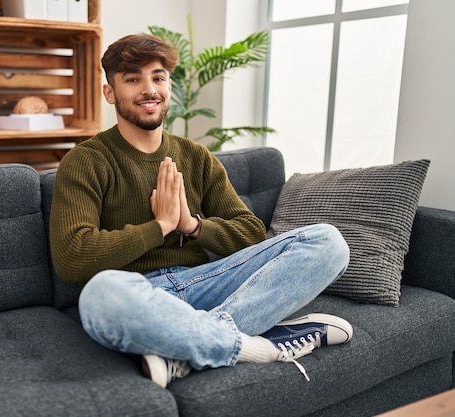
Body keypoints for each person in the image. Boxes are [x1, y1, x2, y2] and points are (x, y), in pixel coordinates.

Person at [49, 33, 353, 387]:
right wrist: (160, 225)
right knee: (101, 295)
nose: (149, 89)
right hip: (141, 294)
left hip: (206, 284)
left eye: (158, 77)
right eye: (133, 79)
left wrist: (191, 225)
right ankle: (258, 346)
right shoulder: (86, 161)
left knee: (328, 242)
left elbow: (252, 233)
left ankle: (187, 348)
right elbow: (72, 259)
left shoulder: (195, 156)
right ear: (110, 92)